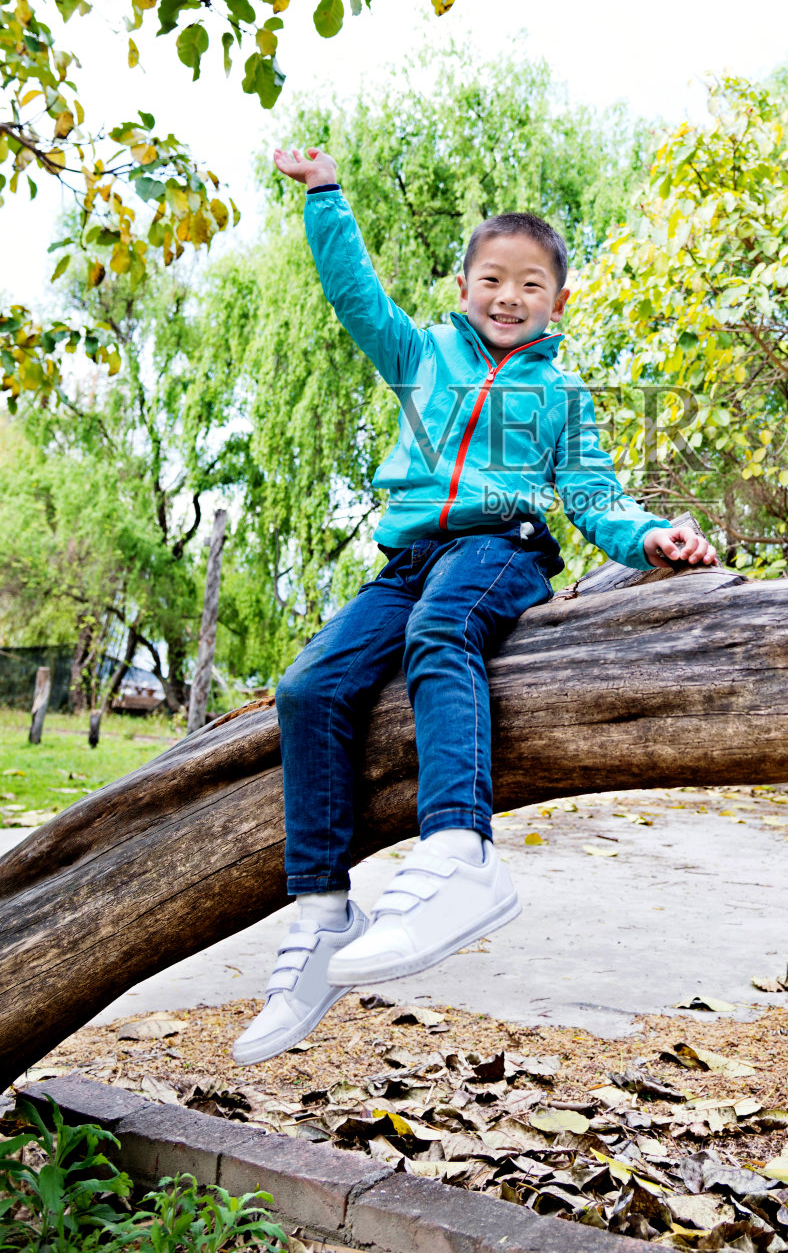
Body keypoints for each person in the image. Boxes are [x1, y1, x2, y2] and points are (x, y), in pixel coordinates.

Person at [233, 146, 719, 1065]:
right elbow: (354, 296)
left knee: (441, 633)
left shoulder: (562, 393)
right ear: (461, 288)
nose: (508, 296)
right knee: (309, 688)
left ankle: (459, 853)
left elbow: (596, 497)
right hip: (409, 555)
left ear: (558, 304)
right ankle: (324, 911)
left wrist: (649, 535)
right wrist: (328, 195)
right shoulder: (419, 355)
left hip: (500, 549)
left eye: (530, 284)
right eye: (491, 279)